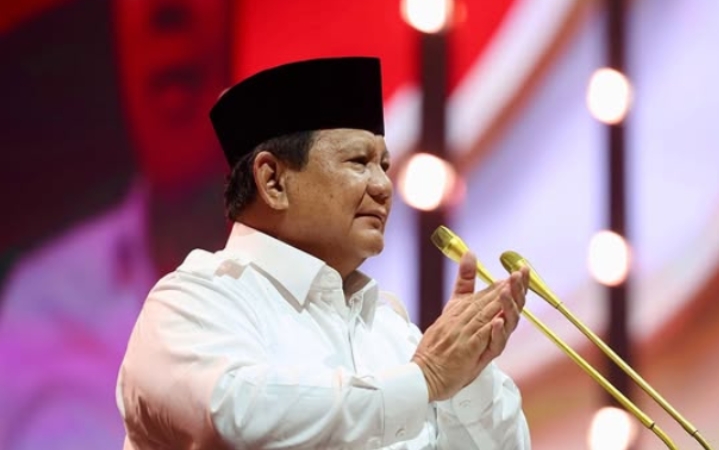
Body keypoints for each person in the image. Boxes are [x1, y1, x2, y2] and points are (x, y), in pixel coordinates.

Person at [116, 56, 531, 449]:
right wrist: (426, 378)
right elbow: (238, 421)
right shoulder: (193, 302)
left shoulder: (390, 327)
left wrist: (469, 371)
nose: (383, 186)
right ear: (273, 181)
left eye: (384, 165)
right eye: (359, 161)